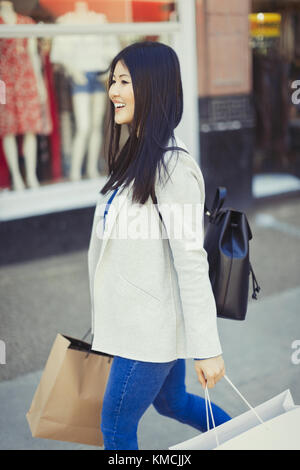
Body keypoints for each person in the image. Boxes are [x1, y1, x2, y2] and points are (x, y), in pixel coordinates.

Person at [87, 41, 231, 450]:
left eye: (124, 81)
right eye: (112, 81)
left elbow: (190, 260)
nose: (113, 91)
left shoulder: (173, 167)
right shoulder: (136, 154)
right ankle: (250, 440)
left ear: (153, 86)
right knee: (173, 402)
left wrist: (207, 350)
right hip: (138, 321)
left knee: (115, 426)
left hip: (146, 331)